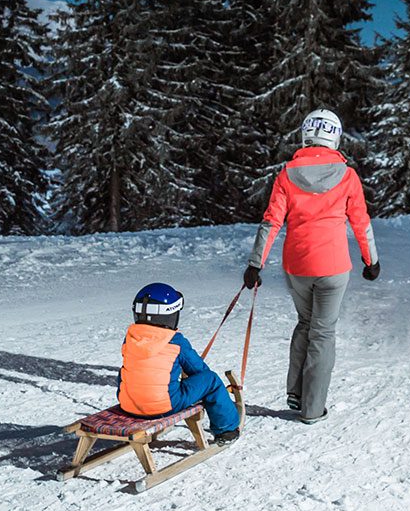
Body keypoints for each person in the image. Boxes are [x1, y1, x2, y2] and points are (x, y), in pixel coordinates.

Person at [242, 109, 379, 424]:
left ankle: (296, 392)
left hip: (297, 266)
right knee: (323, 332)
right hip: (333, 267)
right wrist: (371, 260)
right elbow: (361, 221)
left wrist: (255, 263)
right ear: (335, 136)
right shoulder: (347, 176)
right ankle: (312, 409)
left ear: (306, 134)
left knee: (305, 324)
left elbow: (271, 221)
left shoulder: (286, 175)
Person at [118, 283, 241, 443]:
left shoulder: (130, 338)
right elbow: (199, 370)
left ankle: (138, 399)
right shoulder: (175, 341)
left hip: (128, 405)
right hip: (164, 407)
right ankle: (227, 430)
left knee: (130, 369)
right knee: (210, 380)